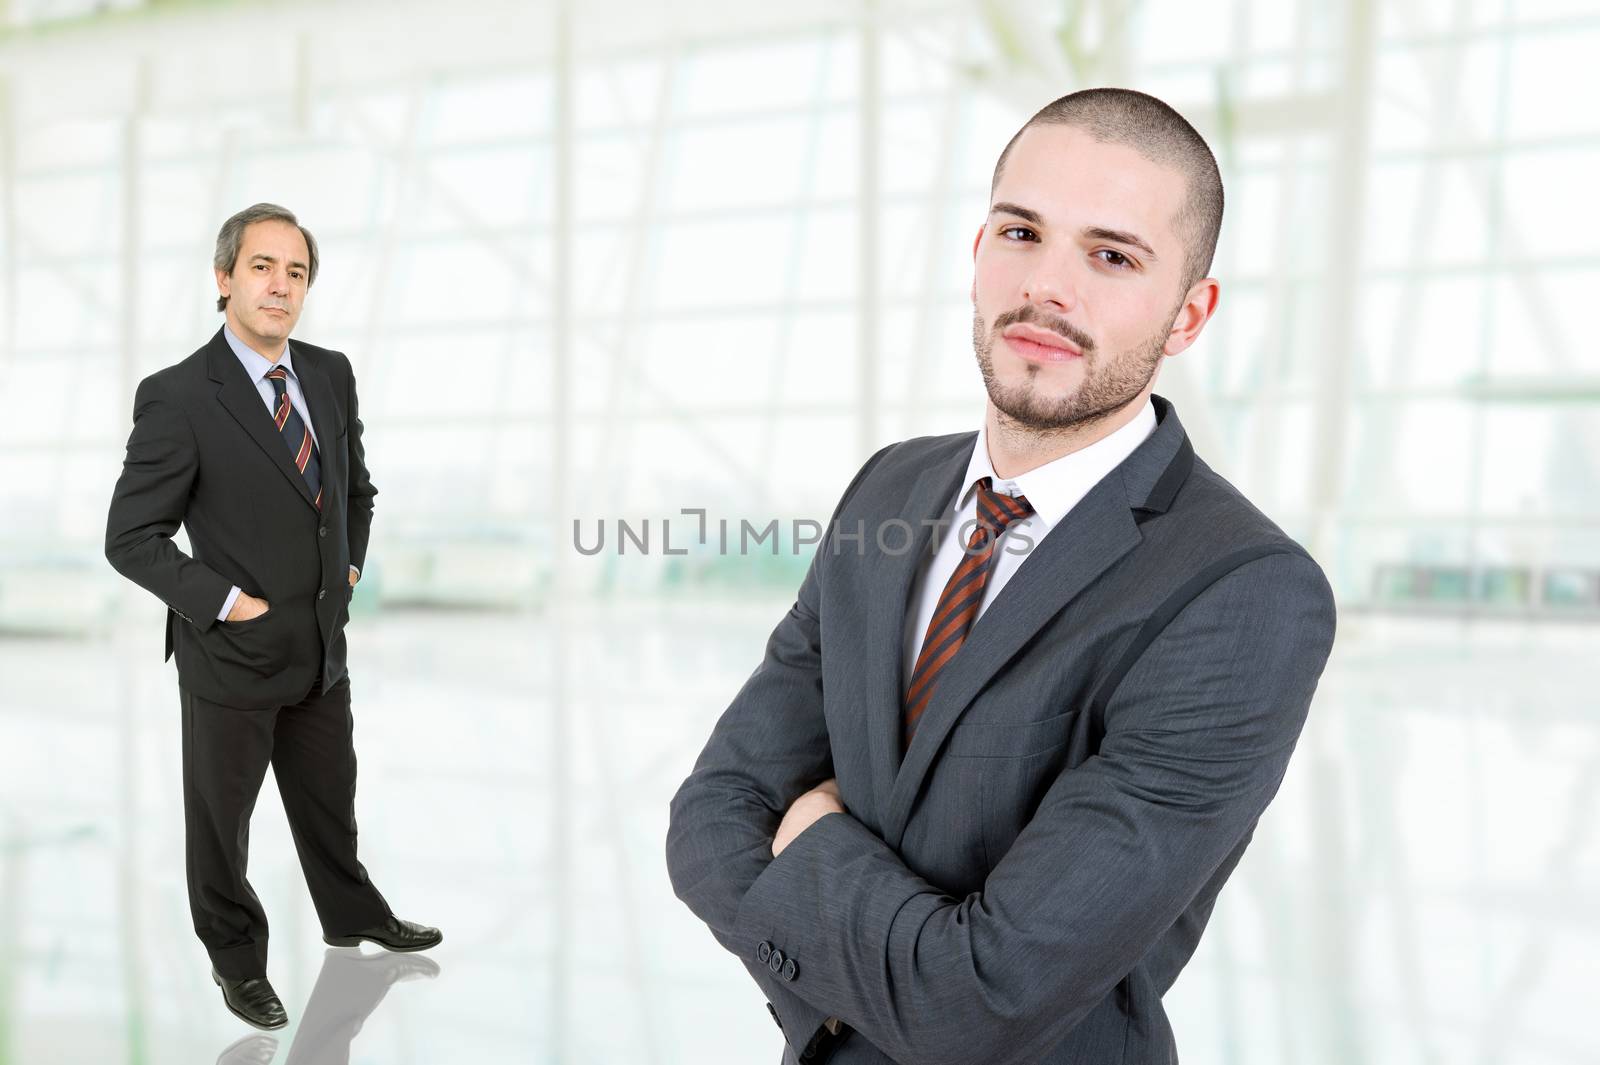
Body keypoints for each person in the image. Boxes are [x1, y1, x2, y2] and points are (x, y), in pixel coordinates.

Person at [665, 87, 1338, 1064]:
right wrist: (899, 964)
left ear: (1188, 315)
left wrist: (807, 844)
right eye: (1022, 232)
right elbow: (708, 821)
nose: (1048, 288)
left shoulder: (1243, 594)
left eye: (1111, 256)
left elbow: (984, 1000)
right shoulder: (886, 489)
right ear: (977, 251)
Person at [105, 203, 441, 1032]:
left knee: (331, 798)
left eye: (295, 272)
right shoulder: (181, 396)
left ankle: (351, 912)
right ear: (224, 280)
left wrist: (349, 566)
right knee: (223, 826)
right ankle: (235, 958)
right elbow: (130, 537)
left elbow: (356, 489)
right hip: (233, 654)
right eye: (262, 267)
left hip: (322, 646)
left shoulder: (328, 373)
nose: (279, 287)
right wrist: (226, 602)